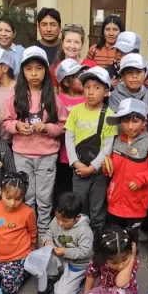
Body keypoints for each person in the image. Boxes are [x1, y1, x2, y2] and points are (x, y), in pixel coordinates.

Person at [2, 47, 67, 235]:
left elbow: (63, 125)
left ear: (45, 71)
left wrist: (47, 128)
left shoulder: (53, 98)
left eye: (38, 68)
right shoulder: (16, 98)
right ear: (22, 71)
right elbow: (6, 121)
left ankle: (44, 233)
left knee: (45, 198)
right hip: (22, 154)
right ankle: (28, 231)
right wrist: (17, 126)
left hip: (46, 155)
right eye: (29, 68)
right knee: (26, 196)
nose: (33, 73)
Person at [65, 67, 117, 233]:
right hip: (78, 169)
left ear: (106, 91)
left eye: (96, 87)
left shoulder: (109, 115)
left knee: (97, 207)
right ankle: (80, 238)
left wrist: (92, 167)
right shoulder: (76, 111)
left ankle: (96, 241)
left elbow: (108, 146)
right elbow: (69, 137)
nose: (91, 92)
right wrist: (75, 162)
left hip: (98, 171)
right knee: (79, 205)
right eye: (87, 87)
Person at [105, 98, 148, 233]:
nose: (130, 126)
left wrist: (141, 179)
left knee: (131, 238)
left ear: (144, 122)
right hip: (114, 201)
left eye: (135, 121)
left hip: (136, 203)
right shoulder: (117, 140)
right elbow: (112, 168)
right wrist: (106, 168)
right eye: (125, 121)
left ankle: (133, 255)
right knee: (115, 235)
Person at [0, 172, 37, 294]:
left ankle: (25, 272)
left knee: (7, 290)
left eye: (18, 199)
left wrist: (32, 250)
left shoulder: (28, 212)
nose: (12, 203)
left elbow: (32, 232)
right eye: (8, 198)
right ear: (0, 191)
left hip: (18, 257)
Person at [39, 192, 94, 294]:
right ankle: (52, 278)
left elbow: (85, 252)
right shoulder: (58, 219)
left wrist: (65, 251)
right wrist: (47, 241)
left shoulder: (84, 231)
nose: (60, 223)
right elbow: (49, 232)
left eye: (65, 221)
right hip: (60, 258)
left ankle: (79, 277)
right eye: (57, 218)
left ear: (77, 218)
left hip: (77, 265)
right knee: (43, 256)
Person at [53, 59, 89, 203]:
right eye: (78, 75)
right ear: (66, 82)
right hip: (63, 158)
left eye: (83, 72)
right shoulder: (57, 100)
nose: (83, 76)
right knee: (64, 192)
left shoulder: (89, 99)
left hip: (84, 158)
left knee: (81, 194)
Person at [110, 53, 148, 132]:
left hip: (146, 140)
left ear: (145, 75)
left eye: (138, 72)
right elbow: (115, 126)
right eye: (129, 72)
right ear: (122, 77)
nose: (134, 76)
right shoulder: (115, 96)